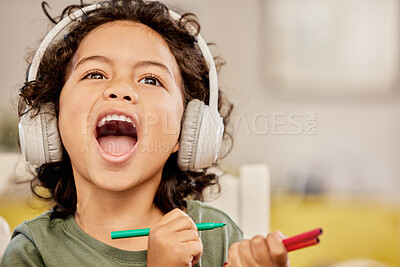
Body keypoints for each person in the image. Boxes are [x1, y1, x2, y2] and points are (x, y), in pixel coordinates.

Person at [1, 0, 289, 266]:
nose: (121, 90)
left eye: (151, 79)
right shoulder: (33, 251)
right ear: (52, 119)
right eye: (95, 74)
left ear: (187, 131)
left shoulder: (217, 239)